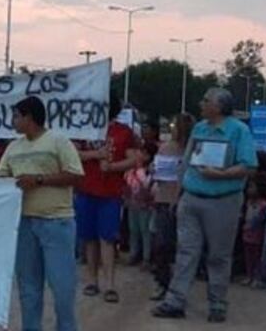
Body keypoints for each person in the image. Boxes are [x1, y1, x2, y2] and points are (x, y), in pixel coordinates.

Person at [152, 87, 259, 323]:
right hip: (192, 198)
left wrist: (220, 174)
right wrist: (179, 195)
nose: (201, 104)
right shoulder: (200, 128)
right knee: (186, 252)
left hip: (223, 201)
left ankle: (217, 304)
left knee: (218, 256)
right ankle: (175, 301)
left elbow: (249, 166)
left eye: (206, 100)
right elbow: (186, 163)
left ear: (219, 106)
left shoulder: (239, 131)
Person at [0, 96, 84, 331]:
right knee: (28, 288)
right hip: (24, 223)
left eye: (16, 116)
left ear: (29, 117)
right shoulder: (13, 147)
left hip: (57, 223)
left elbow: (76, 175)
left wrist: (39, 179)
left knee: (62, 288)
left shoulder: (58, 141)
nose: (12, 121)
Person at [75, 96, 139, 304]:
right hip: (86, 189)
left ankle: (110, 284)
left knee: (107, 238)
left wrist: (112, 167)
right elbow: (72, 154)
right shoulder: (83, 128)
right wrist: (96, 154)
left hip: (110, 192)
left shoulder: (123, 132)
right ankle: (92, 281)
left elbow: (133, 159)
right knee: (89, 238)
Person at [149, 113, 194, 301]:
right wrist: (153, 170)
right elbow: (155, 170)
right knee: (162, 244)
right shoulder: (165, 148)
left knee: (183, 246)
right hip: (163, 199)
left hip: (185, 199)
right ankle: (163, 282)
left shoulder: (192, 151)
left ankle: (179, 286)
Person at [124, 140, 157, 269]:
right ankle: (134, 253)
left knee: (145, 231)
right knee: (133, 230)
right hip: (133, 202)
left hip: (145, 204)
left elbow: (149, 185)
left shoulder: (150, 170)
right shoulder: (131, 170)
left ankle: (146, 257)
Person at [241, 172, 266, 287]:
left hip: (258, 234)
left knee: (258, 256)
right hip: (247, 233)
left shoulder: (264, 205)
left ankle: (257, 277)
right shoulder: (248, 202)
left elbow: (260, 220)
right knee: (248, 256)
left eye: (252, 187)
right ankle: (249, 275)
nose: (249, 190)